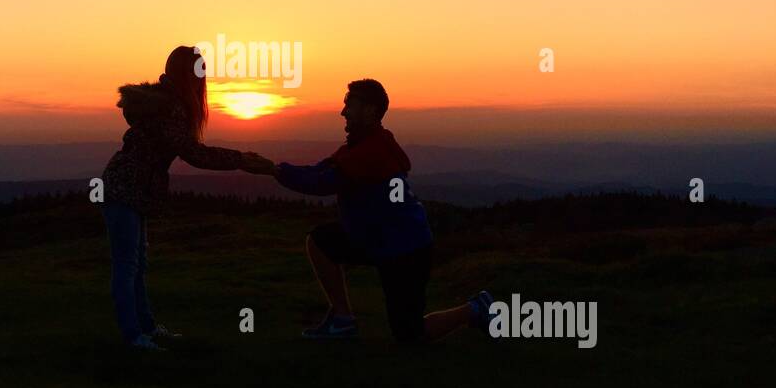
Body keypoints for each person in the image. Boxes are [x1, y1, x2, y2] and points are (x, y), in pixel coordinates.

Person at [241, 79, 495, 343]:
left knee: (410, 335)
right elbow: (321, 169)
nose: (343, 112)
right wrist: (274, 167)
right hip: (376, 239)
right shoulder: (365, 144)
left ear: (371, 110)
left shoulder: (371, 152)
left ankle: (476, 308)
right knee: (321, 240)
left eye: (350, 105)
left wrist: (273, 171)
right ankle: (342, 321)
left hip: (405, 249)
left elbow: (322, 183)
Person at [101, 45, 256, 350]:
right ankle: (134, 336)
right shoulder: (171, 107)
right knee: (127, 265)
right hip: (125, 188)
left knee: (135, 264)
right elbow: (194, 153)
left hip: (129, 187)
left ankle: (145, 328)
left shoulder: (162, 103)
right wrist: (240, 159)